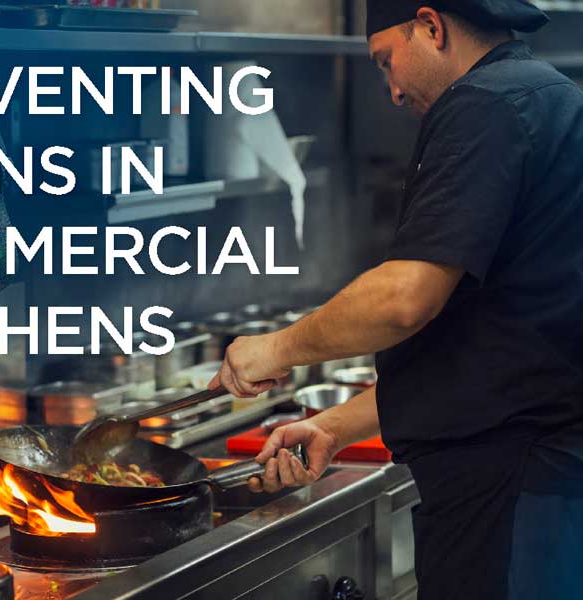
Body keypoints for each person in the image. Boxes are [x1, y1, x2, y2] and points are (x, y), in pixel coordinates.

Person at [208, 1, 583, 598]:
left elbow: (405, 299)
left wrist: (274, 350)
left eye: (387, 62)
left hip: (510, 498)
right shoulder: (545, 93)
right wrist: (334, 426)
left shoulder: (483, 104)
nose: (392, 91)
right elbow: (490, 351)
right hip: (538, 489)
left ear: (431, 27)